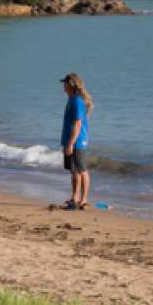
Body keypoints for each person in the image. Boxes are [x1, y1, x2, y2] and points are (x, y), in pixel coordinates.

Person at [60, 72, 93, 210]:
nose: (63, 86)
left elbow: (78, 125)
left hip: (78, 142)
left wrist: (70, 143)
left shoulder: (78, 101)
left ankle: (83, 200)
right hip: (71, 141)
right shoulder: (71, 99)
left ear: (71, 84)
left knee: (81, 170)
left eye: (65, 83)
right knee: (74, 171)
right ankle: (74, 198)